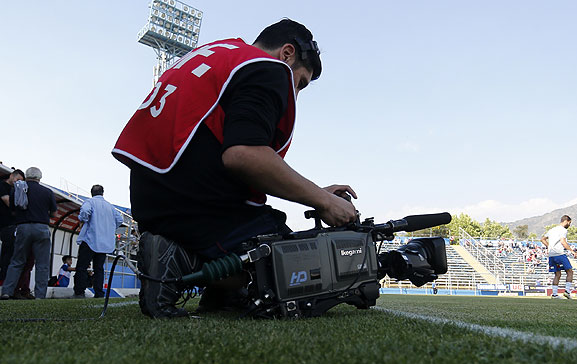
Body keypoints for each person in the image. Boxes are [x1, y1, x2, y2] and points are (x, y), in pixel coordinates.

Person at [112, 19, 357, 318]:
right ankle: (178, 260)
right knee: (297, 264)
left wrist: (317, 192)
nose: (296, 92)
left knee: (265, 232)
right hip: (193, 200)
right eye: (301, 83)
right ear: (287, 54)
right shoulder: (270, 68)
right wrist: (324, 200)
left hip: (154, 195)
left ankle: (221, 289)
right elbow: (243, 155)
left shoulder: (219, 53)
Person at [0, 167, 57, 300]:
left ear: (26, 176)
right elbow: (54, 214)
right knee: (42, 264)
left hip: (23, 227)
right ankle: (40, 295)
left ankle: (7, 291)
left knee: (17, 261)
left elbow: (13, 208)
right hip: (42, 228)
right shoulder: (47, 192)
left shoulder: (17, 189)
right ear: (39, 178)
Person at [73, 185, 123, 298]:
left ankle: (79, 291)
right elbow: (120, 219)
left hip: (90, 239)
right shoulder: (110, 206)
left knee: (82, 266)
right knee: (99, 268)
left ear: (91, 193)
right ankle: (99, 293)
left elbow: (85, 212)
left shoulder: (89, 202)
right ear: (102, 193)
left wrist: (83, 219)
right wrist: (109, 228)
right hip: (104, 242)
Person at [541, 215, 577, 299]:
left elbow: (542, 239)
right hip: (559, 254)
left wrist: (549, 247)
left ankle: (554, 294)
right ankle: (567, 292)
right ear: (566, 221)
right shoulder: (563, 230)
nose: (569, 225)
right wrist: (572, 251)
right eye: (569, 223)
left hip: (551, 255)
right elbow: (563, 242)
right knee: (570, 272)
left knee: (557, 274)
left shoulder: (552, 230)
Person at [0, 169, 25, 284]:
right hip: (5, 224)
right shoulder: (2, 186)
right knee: (6, 252)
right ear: (11, 176)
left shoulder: (15, 190)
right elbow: (8, 202)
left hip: (11, 225)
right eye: (17, 179)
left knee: (9, 252)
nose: (18, 182)